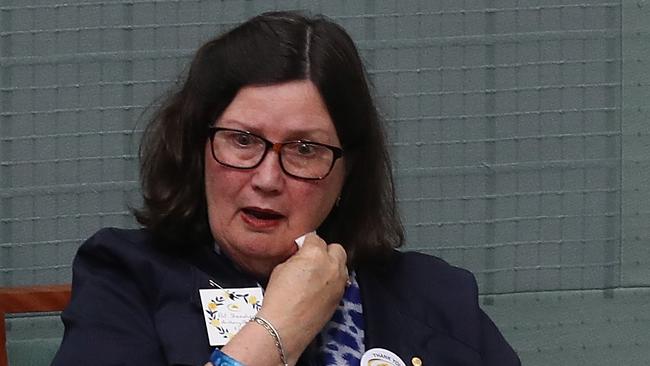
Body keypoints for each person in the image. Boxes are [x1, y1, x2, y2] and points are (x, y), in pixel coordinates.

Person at [51, 11, 520, 366]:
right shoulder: (125, 276)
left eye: (304, 149)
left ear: (347, 170)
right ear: (196, 147)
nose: (267, 179)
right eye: (242, 140)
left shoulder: (434, 294)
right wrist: (276, 330)